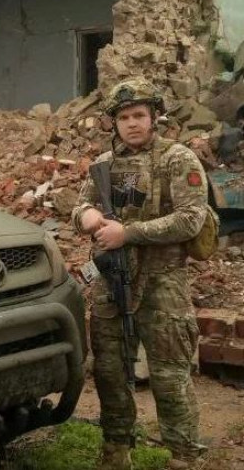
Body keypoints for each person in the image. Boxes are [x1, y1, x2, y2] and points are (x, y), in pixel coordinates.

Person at [72, 78, 209, 470]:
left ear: (154, 118)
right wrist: (88, 216)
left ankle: (183, 456)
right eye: (125, 117)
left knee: (169, 375)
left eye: (139, 115)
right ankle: (116, 452)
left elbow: (191, 219)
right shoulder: (103, 165)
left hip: (162, 282)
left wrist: (127, 233)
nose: (132, 123)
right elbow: (79, 207)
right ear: (113, 122)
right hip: (110, 280)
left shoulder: (177, 159)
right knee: (111, 373)